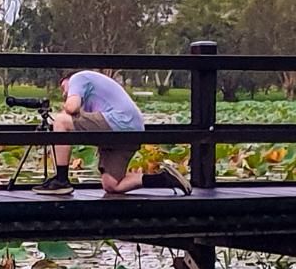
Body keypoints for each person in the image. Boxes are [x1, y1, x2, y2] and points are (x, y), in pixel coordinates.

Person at [32, 70, 192, 196]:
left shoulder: (78, 78)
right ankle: (163, 179)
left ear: (68, 80)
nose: (64, 93)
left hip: (118, 121)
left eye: (63, 88)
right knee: (111, 185)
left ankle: (61, 179)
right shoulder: (92, 94)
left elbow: (71, 108)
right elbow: (82, 118)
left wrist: (66, 107)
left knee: (60, 121)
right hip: (132, 129)